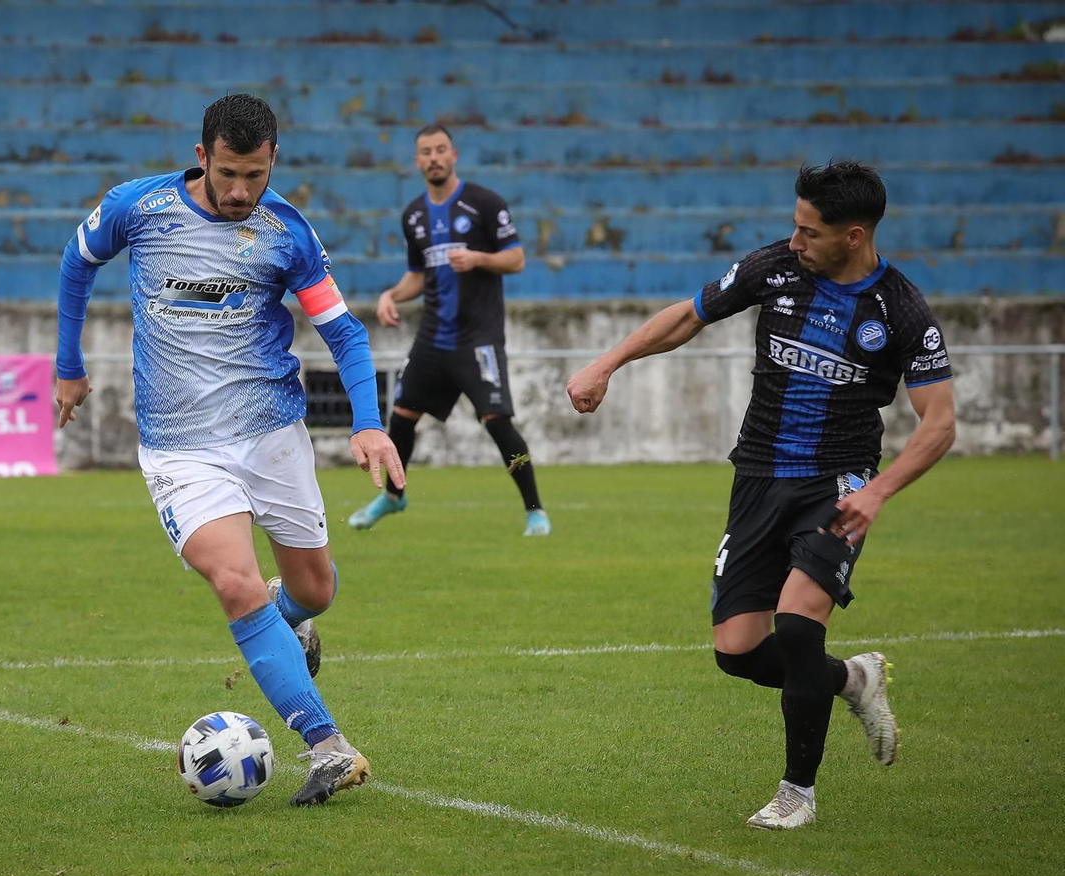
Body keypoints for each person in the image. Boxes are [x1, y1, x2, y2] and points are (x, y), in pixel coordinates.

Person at [565, 160, 956, 829]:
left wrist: (881, 490)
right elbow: (688, 316)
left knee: (799, 624)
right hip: (757, 478)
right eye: (795, 226)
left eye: (810, 231)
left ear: (853, 235)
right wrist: (607, 363)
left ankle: (796, 793)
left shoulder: (901, 310)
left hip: (838, 483)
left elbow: (940, 423)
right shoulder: (774, 267)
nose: (795, 239)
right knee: (737, 650)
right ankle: (850, 680)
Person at [53, 94, 404, 806]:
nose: (242, 191)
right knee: (235, 584)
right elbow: (75, 262)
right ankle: (328, 745)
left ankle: (289, 618)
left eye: (255, 174)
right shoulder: (138, 208)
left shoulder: (288, 232)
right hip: (181, 449)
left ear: (273, 158)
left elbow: (346, 334)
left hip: (271, 432)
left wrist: (368, 422)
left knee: (316, 591)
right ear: (201, 154)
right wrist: (68, 362)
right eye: (228, 173)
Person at [349, 124, 547, 536]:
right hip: (432, 341)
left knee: (498, 423)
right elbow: (417, 276)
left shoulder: (484, 204)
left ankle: (534, 510)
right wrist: (391, 295)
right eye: (427, 152)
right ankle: (393, 496)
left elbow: (516, 259)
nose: (435, 157)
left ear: (453, 155)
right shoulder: (414, 217)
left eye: (441, 150)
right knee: (400, 420)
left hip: (478, 340)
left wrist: (478, 259)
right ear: (417, 161)